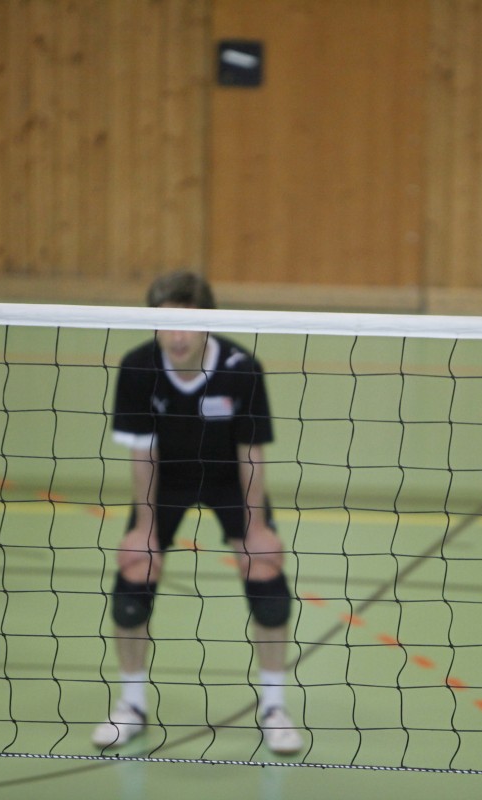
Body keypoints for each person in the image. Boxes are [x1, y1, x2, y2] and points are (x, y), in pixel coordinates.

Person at [92, 270, 303, 755]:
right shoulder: (138, 368)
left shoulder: (241, 369)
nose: (178, 336)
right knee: (132, 582)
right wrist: (145, 531)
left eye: (188, 323)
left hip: (229, 477)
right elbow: (142, 454)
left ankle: (274, 708)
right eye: (166, 324)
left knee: (268, 583)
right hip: (166, 479)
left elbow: (251, 453)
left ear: (209, 322)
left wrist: (255, 528)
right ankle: (131, 705)